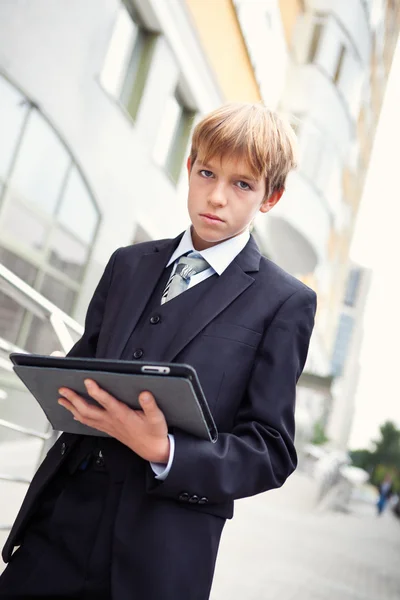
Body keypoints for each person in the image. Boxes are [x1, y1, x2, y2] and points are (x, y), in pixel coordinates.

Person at [0, 102, 317, 599]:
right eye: (207, 172)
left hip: (160, 556)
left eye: (242, 184)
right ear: (188, 168)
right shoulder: (127, 264)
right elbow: (84, 368)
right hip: (59, 525)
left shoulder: (285, 302)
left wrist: (164, 450)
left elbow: (271, 451)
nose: (216, 197)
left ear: (270, 197)